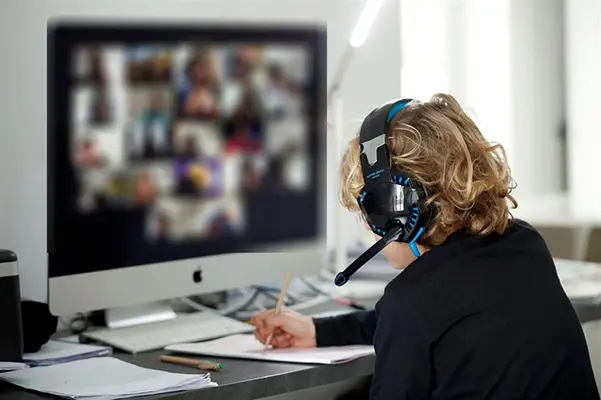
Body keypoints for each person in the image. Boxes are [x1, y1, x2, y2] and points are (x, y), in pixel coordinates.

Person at [251, 94, 600, 399]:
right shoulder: (524, 244)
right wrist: (318, 331)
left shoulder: (412, 304)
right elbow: (429, 321)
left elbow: (415, 321)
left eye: (366, 212)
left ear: (394, 211)